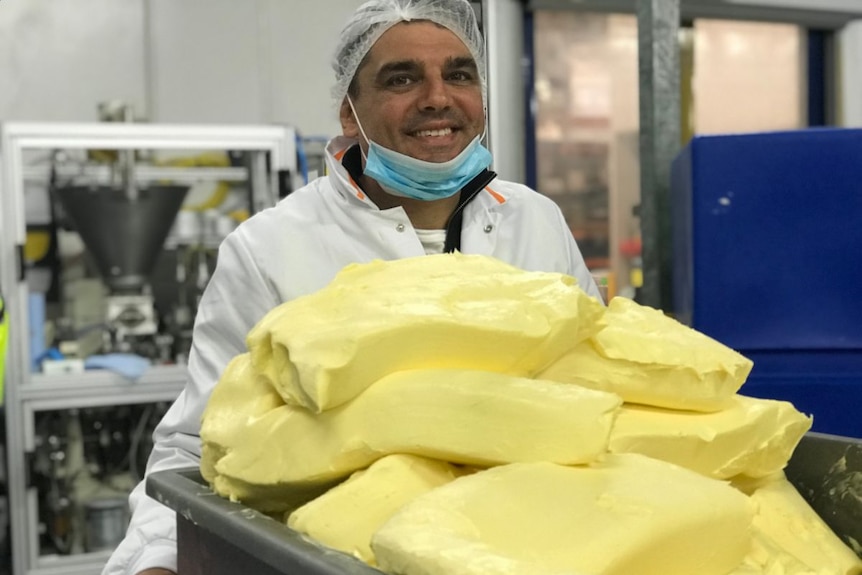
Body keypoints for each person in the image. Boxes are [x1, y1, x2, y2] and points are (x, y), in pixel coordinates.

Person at [103, 0, 601, 573]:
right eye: (402, 78)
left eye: (459, 74)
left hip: (530, 545)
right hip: (337, 557)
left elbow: (590, 381)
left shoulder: (536, 220)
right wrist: (156, 560)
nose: (438, 97)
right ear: (349, 112)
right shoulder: (272, 249)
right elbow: (198, 447)